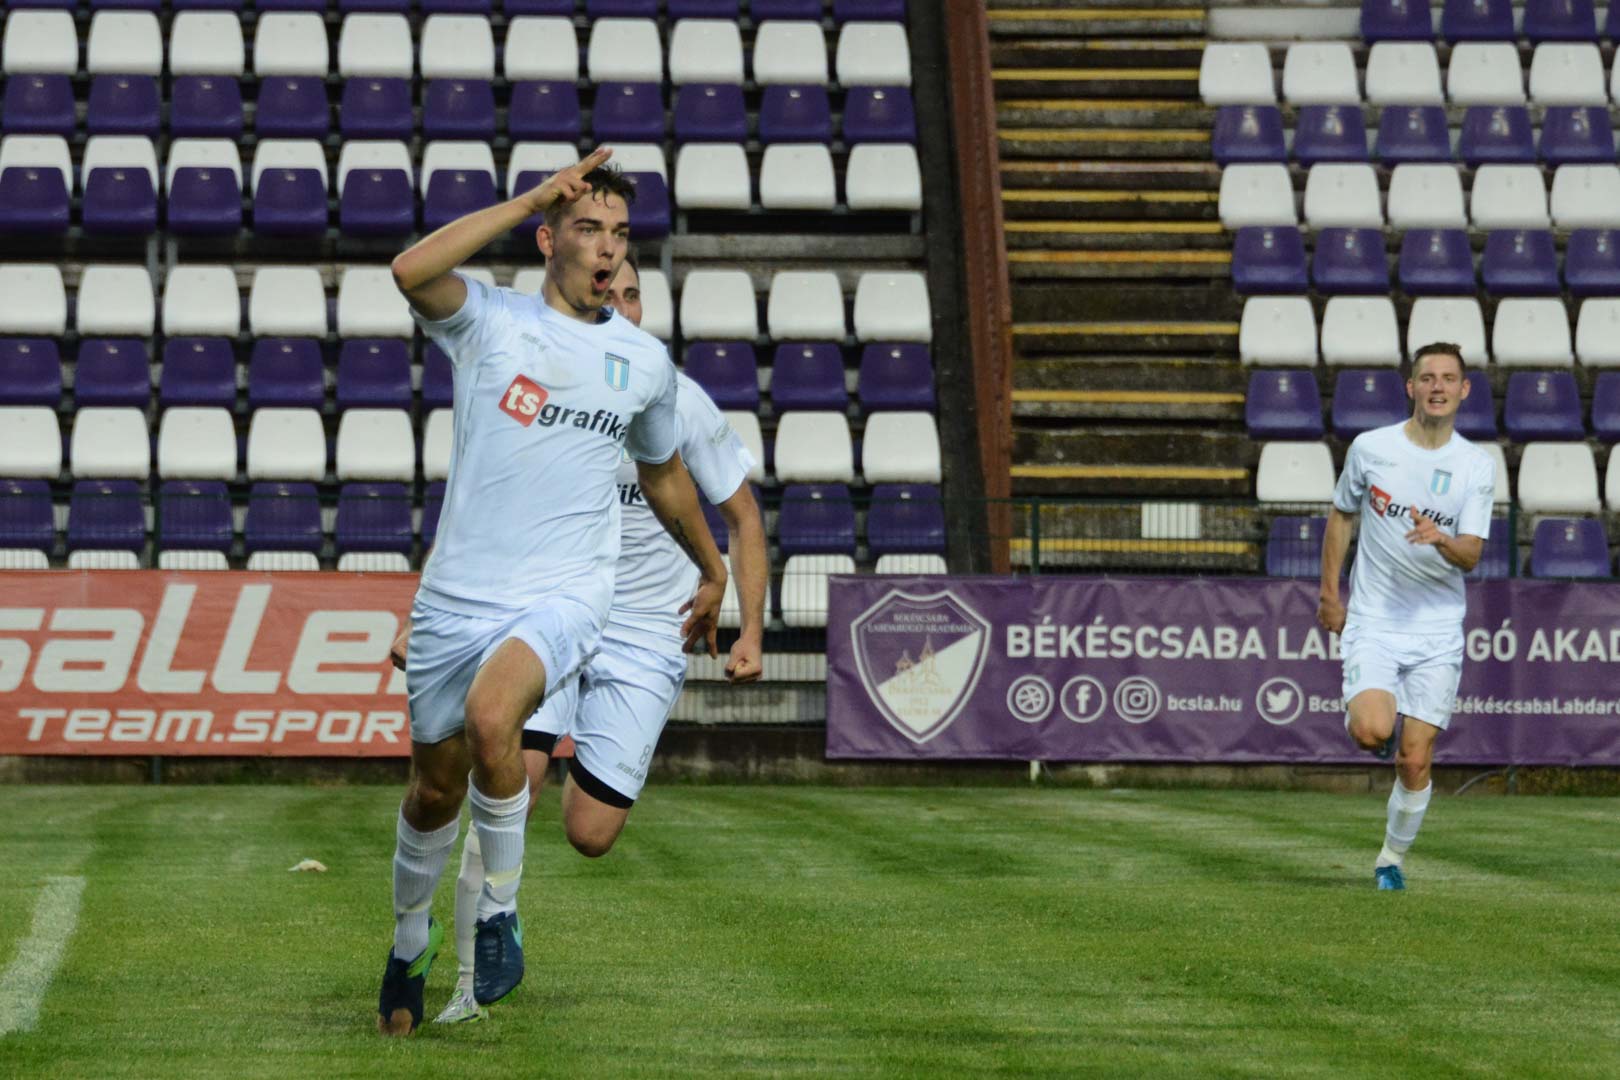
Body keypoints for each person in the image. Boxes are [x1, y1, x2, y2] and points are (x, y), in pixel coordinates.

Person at [378, 148, 729, 1035]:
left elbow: (664, 474)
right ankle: (410, 937)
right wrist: (529, 197)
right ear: (548, 240)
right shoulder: (491, 321)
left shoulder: (642, 362)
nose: (608, 247)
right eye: (587, 227)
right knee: (433, 793)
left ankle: (498, 911)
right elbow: (410, 270)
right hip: (458, 598)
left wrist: (712, 564)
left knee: (495, 718)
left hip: (567, 594)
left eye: (619, 232)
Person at [432, 256, 771, 1024]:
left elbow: (744, 517)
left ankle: (492, 926)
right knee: (509, 777)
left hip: (648, 633)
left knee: (591, 833)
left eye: (632, 294)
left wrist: (750, 627)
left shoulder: (678, 399)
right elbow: (482, 501)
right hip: (555, 609)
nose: (620, 304)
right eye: (608, 291)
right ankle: (472, 976)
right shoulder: (542, 392)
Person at [1317, 341, 1495, 891]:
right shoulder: (1371, 448)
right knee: (1372, 730)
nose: (1438, 387)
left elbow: (1471, 553)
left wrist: (1441, 538)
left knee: (1414, 761)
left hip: (1437, 630)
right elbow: (1342, 517)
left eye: (1448, 378)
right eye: (1428, 377)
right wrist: (1329, 595)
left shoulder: (1475, 465)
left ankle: (1390, 859)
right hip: (1374, 619)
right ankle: (1375, 727)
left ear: (1463, 390)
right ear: (1411, 387)